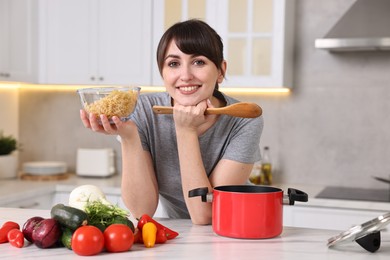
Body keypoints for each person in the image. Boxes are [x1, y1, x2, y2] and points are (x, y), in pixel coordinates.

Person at [80, 19, 263, 225]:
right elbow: (142, 211)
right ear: (162, 73)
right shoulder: (142, 109)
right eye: (174, 64)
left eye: (199, 62)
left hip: (238, 229)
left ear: (221, 70)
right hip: (181, 234)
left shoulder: (243, 120)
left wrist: (186, 130)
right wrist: (129, 136)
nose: (185, 76)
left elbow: (206, 214)